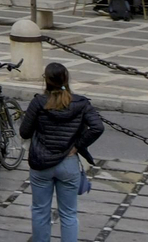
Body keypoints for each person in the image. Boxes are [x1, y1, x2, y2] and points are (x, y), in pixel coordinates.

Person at [19, 62, 104, 242]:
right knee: (69, 214)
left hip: (41, 162)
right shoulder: (80, 103)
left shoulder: (38, 102)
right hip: (68, 163)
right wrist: (77, 146)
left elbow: (24, 132)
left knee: (40, 211)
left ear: (46, 81)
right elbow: (97, 127)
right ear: (66, 79)